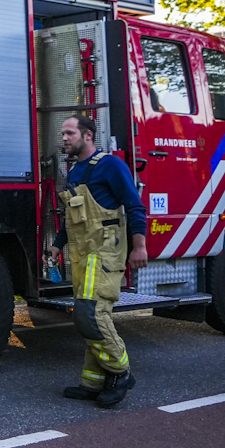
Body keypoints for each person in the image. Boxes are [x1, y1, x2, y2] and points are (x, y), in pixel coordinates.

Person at [51, 113, 147, 408]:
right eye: (63, 134)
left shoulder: (111, 166)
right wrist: (57, 246)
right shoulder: (76, 171)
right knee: (86, 313)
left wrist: (138, 246)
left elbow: (134, 205)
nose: (64, 138)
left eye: (69, 133)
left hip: (105, 252)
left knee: (91, 314)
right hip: (82, 253)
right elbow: (72, 218)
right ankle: (93, 381)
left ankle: (121, 371)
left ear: (88, 135)